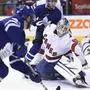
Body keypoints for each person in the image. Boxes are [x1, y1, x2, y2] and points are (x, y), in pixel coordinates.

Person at [34, 18, 89, 87]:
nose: (63, 29)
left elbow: (78, 52)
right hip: (48, 59)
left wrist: (83, 62)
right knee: (41, 74)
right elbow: (43, 46)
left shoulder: (69, 39)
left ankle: (77, 77)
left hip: (62, 58)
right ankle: (58, 74)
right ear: (58, 25)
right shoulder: (49, 29)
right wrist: (36, 61)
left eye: (65, 28)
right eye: (62, 27)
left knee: (62, 62)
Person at [0, 0, 41, 83]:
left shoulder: (21, 35)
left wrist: (29, 72)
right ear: (26, 16)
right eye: (31, 18)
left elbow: (14, 62)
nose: (32, 22)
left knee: (3, 71)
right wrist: (21, 44)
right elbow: (10, 28)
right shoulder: (14, 21)